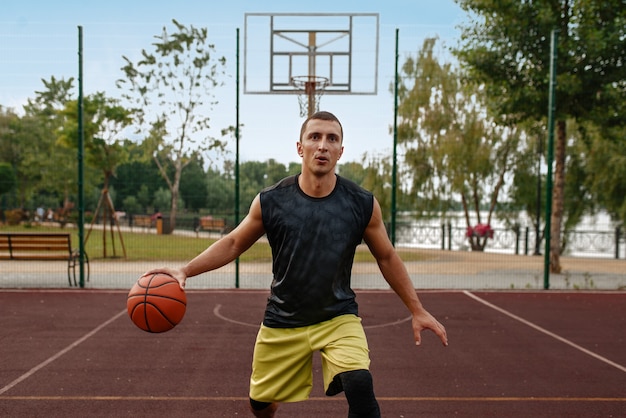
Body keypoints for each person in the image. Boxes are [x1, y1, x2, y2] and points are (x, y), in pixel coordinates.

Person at [144, 111, 448, 417]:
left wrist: (417, 309)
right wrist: (185, 270)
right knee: (260, 404)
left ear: (341, 151)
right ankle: (269, 401)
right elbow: (234, 242)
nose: (323, 146)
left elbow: (387, 257)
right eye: (314, 137)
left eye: (332, 139)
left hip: (338, 317)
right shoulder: (271, 201)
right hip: (284, 318)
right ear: (300, 147)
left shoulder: (361, 204)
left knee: (359, 384)